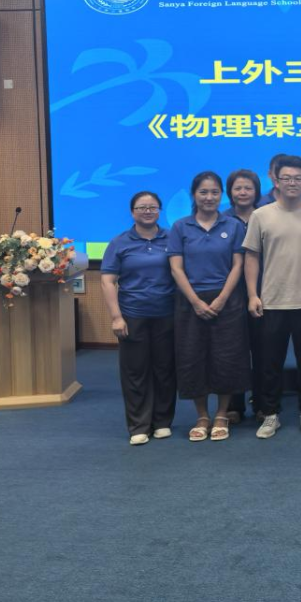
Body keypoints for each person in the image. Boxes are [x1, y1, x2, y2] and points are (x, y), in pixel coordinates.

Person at [245, 156, 301, 440]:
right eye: (287, 178)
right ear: (276, 181)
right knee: (270, 363)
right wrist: (253, 294)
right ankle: (270, 415)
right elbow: (252, 257)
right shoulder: (261, 215)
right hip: (271, 301)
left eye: (298, 178)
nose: (292, 183)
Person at [167, 172, 248, 442]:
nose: (209, 197)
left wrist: (222, 298)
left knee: (227, 358)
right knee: (193, 357)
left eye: (214, 192)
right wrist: (195, 301)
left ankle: (222, 414)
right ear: (194, 195)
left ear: (221, 195)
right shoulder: (180, 227)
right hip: (190, 301)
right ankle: (202, 416)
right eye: (203, 192)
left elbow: (238, 265)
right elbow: (176, 268)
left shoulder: (233, 225)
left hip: (227, 300)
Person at [100, 191, 176, 446]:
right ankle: (139, 426)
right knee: (135, 372)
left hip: (167, 313)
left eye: (152, 207)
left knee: (165, 369)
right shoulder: (120, 242)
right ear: (132, 212)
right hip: (132, 315)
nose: (147, 211)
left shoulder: (172, 238)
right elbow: (108, 281)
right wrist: (116, 317)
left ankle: (163, 422)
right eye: (142, 207)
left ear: (160, 210)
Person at [224, 168, 262, 424]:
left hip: (264, 293)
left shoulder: (266, 216)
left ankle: (262, 403)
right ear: (230, 192)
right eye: (238, 188)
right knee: (233, 351)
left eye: (248, 187)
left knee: (263, 351)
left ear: (256, 191)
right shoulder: (221, 220)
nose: (243, 192)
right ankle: (234, 405)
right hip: (230, 295)